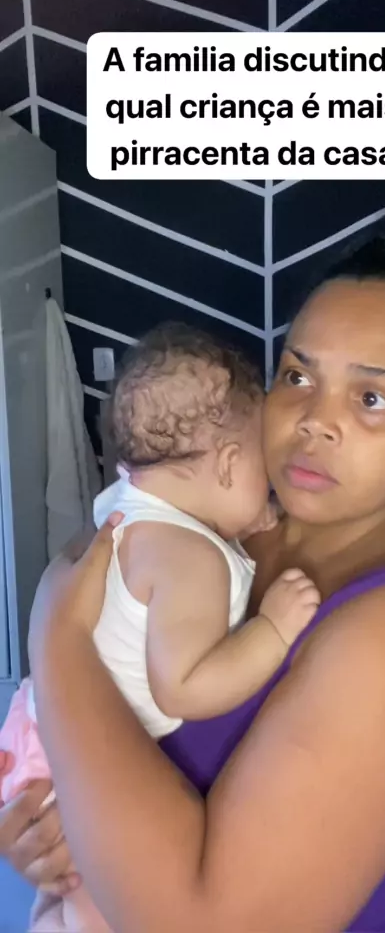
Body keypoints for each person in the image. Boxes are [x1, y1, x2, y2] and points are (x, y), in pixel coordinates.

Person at [3, 211, 385, 933]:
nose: (314, 420)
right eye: (298, 374)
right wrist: (53, 825)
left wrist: (54, 638)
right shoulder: (228, 527)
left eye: (371, 398)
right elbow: (110, 736)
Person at [0, 323, 319, 931]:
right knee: (103, 912)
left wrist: (240, 521)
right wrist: (273, 630)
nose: (268, 485)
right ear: (230, 464)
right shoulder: (190, 561)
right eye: (262, 469)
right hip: (74, 767)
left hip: (38, 730)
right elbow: (183, 689)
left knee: (63, 900)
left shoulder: (127, 504)